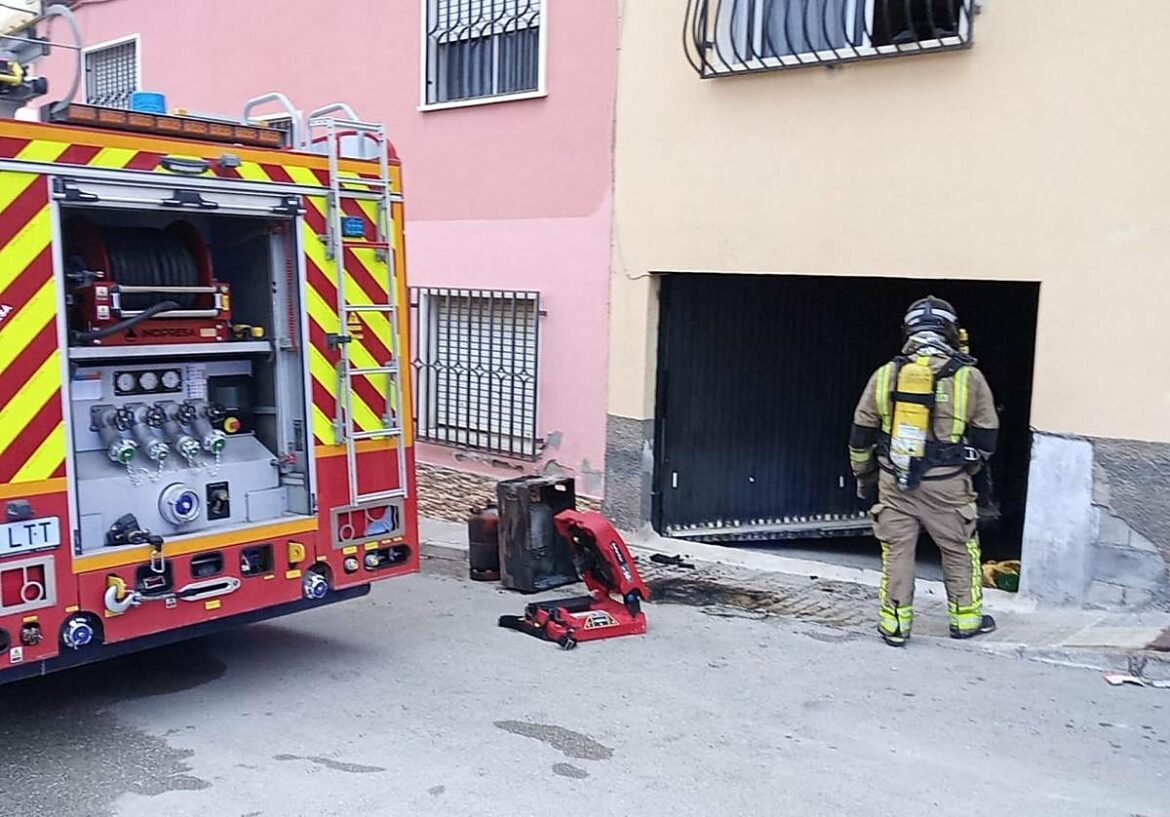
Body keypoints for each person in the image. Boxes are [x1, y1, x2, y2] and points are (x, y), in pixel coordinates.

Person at [847, 296, 999, 647]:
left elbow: (860, 433)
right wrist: (965, 466)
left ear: (909, 331)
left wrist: (865, 475)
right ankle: (966, 620)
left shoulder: (886, 374)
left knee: (897, 552)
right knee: (960, 549)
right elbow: (987, 436)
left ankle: (895, 625)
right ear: (949, 331)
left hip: (893, 481)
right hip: (948, 485)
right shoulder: (968, 377)